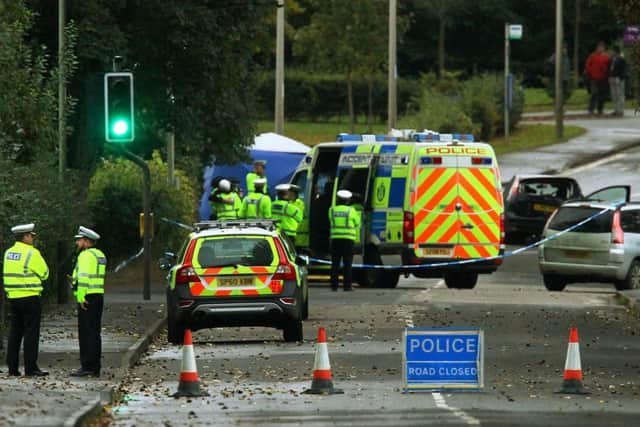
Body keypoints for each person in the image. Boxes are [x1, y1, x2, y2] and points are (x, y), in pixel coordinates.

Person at [2, 223, 49, 377]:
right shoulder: (32, 253)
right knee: (31, 333)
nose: (33, 239)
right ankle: (31, 368)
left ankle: (12, 368)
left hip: (13, 298)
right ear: (26, 236)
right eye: (31, 236)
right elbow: (44, 273)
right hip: (30, 298)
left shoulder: (8, 253)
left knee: (15, 332)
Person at [70, 226, 106, 378]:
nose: (77, 243)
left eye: (79, 240)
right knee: (95, 332)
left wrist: (80, 297)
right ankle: (95, 367)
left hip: (87, 297)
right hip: (98, 295)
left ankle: (86, 366)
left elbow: (84, 278)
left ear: (86, 241)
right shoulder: (100, 254)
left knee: (85, 333)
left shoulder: (85, 256)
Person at [328, 190, 361, 292]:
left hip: (335, 240)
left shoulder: (332, 210)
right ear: (348, 200)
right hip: (348, 240)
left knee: (335, 264)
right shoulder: (351, 211)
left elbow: (330, 220)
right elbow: (357, 223)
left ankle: (334, 286)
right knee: (347, 264)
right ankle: (347, 286)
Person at [584, 42, 611, 115]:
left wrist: (607, 74)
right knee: (594, 93)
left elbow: (609, 66)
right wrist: (589, 72)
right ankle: (591, 109)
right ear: (597, 48)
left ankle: (600, 109)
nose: (600, 49)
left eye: (602, 48)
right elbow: (587, 65)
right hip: (593, 78)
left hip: (603, 78)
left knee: (602, 94)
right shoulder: (592, 56)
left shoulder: (607, 57)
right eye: (599, 47)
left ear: (604, 49)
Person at [609, 46, 627, 117]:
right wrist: (610, 77)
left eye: (612, 51)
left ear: (615, 51)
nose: (611, 52)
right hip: (612, 78)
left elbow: (624, 70)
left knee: (620, 95)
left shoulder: (621, 59)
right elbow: (611, 69)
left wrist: (620, 77)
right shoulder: (613, 59)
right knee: (614, 95)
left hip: (619, 78)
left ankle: (620, 110)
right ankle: (616, 110)